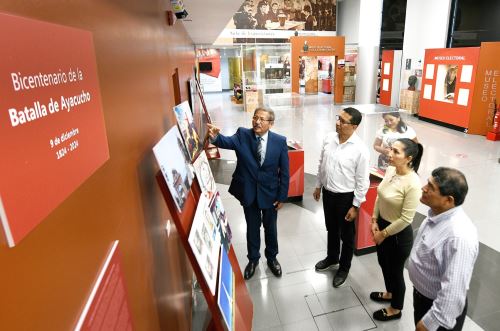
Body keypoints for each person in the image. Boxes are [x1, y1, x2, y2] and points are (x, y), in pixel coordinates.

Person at [207, 108, 290, 280]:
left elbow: (285, 172)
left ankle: (272, 258)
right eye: (255, 118)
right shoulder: (243, 135)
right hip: (249, 193)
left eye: (262, 119)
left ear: (270, 123)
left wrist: (282, 196)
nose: (257, 122)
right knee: (252, 228)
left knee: (271, 228)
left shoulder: (279, 141)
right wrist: (215, 137)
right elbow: (225, 142)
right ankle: (253, 260)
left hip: (270, 194)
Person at [408, 167, 478, 331]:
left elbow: (453, 294)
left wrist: (429, 323)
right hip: (422, 298)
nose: (423, 188)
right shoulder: (437, 213)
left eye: (431, 187)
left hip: (438, 312)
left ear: (448, 200)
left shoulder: (458, 236)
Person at [313, 107, 370, 288]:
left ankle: (344, 268)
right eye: (338, 118)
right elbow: (322, 163)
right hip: (328, 194)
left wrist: (355, 206)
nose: (338, 123)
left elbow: (362, 181)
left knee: (347, 235)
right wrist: (318, 185)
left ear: (354, 127)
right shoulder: (329, 139)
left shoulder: (360, 150)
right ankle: (332, 257)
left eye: (343, 121)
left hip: (346, 198)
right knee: (331, 228)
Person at [370, 138, 424, 322]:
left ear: (408, 158)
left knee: (395, 271)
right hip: (382, 226)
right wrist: (374, 219)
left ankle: (396, 308)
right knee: (383, 263)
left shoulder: (413, 183)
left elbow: (406, 219)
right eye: (390, 149)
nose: (389, 154)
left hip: (397, 235)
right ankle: (389, 293)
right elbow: (380, 195)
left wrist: (383, 234)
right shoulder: (392, 169)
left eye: (395, 152)